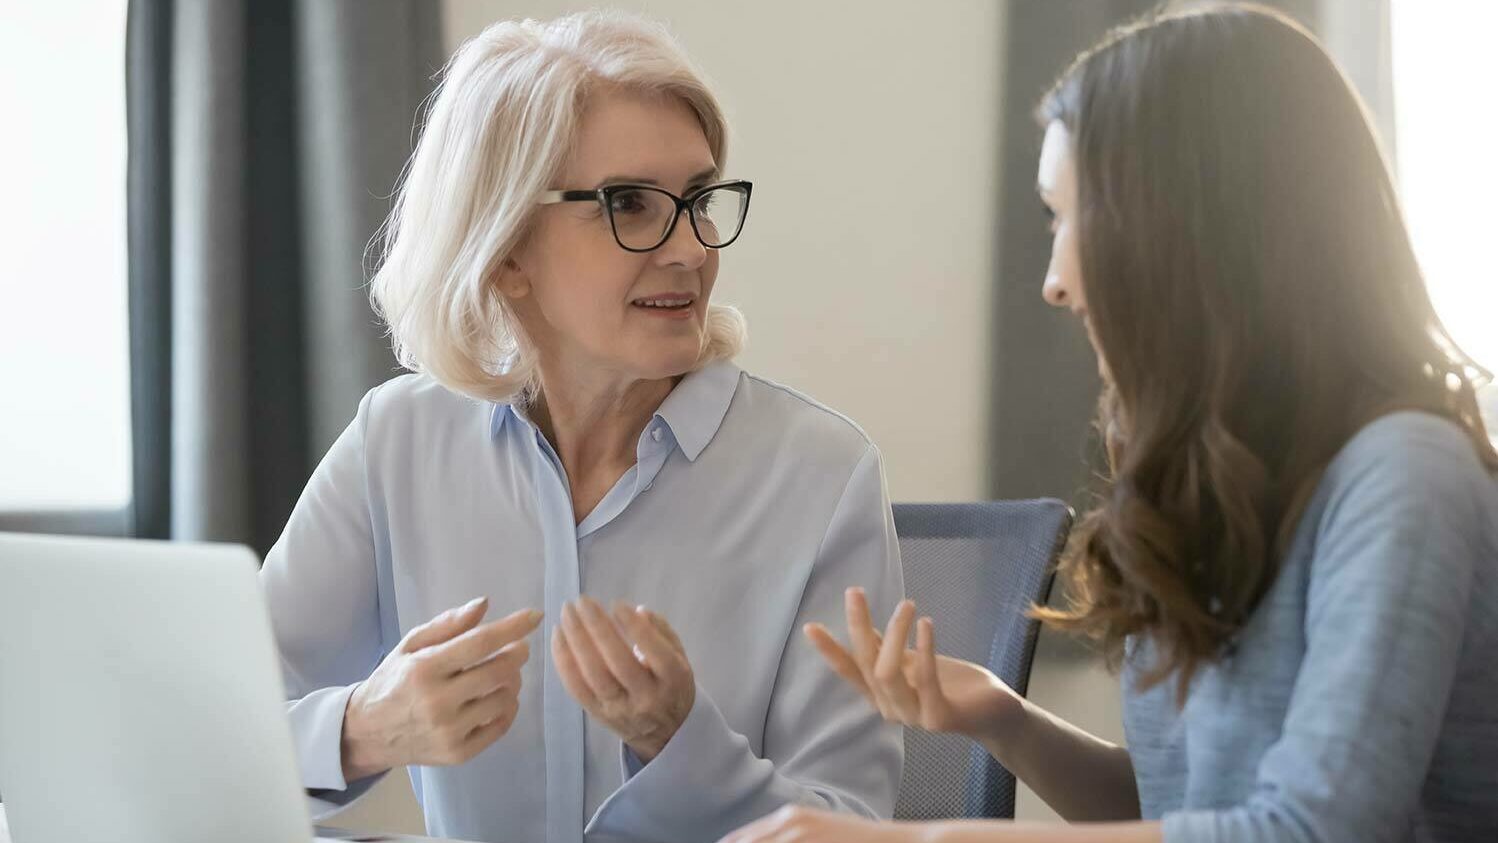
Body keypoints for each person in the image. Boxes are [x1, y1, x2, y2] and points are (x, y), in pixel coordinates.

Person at [722, 5, 1498, 843]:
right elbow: (1178, 813)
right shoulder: (1229, 476)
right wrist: (1005, 717)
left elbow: (1313, 829)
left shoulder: (1406, 474)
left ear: (1186, 231)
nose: (1056, 280)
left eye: (1068, 215)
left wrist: (925, 840)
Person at [259, 11, 903, 843]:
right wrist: (363, 728)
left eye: (699, 200)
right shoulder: (398, 442)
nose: (689, 249)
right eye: (630, 204)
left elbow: (853, 826)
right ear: (504, 248)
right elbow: (220, 727)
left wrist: (682, 744)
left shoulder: (823, 473)